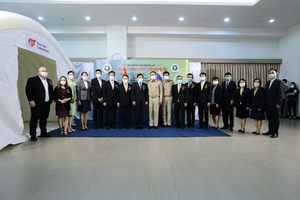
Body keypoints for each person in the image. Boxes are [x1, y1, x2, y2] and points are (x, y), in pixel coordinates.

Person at [25, 66, 53, 141]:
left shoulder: (49, 81)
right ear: (38, 72)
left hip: (46, 103)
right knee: (34, 119)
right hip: (36, 103)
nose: (44, 72)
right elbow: (28, 91)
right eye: (42, 71)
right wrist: (31, 100)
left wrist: (51, 100)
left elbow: (51, 91)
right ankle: (33, 134)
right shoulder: (32, 80)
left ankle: (43, 132)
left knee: (44, 118)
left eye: (45, 71)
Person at [263, 69, 284, 138]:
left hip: (275, 104)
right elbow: (266, 93)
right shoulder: (268, 82)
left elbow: (280, 94)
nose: (271, 74)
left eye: (272, 72)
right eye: (269, 73)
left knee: (275, 118)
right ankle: (270, 130)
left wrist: (279, 103)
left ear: (276, 73)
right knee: (269, 118)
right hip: (268, 103)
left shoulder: (279, 82)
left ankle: (275, 132)